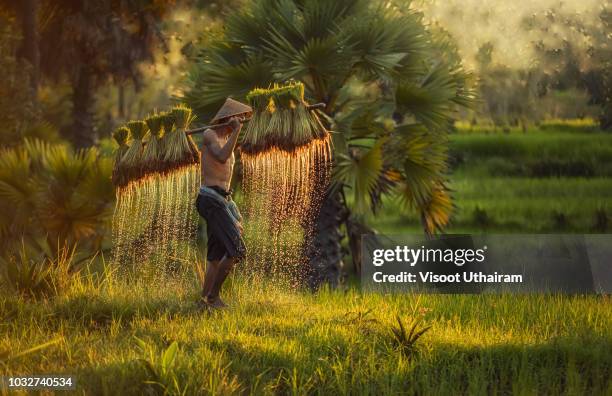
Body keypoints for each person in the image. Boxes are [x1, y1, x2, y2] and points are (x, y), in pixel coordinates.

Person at [195, 98, 251, 309]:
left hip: (222, 200)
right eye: (237, 120)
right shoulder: (210, 134)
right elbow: (220, 156)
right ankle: (213, 297)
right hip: (209, 199)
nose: (240, 124)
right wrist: (236, 131)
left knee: (215, 255)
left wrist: (232, 208)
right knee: (237, 250)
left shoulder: (228, 139)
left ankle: (203, 302)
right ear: (228, 119)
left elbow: (225, 180)